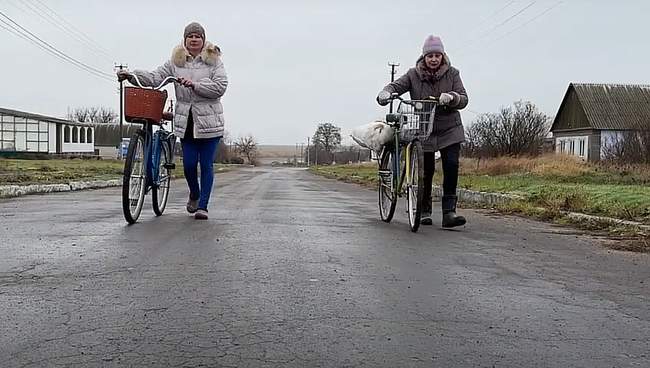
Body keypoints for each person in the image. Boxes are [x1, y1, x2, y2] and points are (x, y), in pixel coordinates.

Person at [118, 22, 227, 220]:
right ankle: (194, 193)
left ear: (203, 40)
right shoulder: (176, 62)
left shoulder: (214, 61)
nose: (194, 39)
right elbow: (155, 77)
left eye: (198, 36)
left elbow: (220, 87)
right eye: (190, 36)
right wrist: (132, 76)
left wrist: (195, 85)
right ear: (184, 40)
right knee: (189, 165)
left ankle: (203, 206)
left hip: (210, 123)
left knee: (206, 164)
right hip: (186, 122)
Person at [377, 35, 467, 228]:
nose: (434, 59)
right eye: (430, 56)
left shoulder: (453, 74)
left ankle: (449, 213)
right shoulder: (413, 74)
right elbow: (396, 86)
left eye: (437, 55)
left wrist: (452, 97)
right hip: (425, 127)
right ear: (424, 57)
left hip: (449, 127)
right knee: (425, 170)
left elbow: (464, 98)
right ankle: (423, 209)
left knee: (451, 166)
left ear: (443, 56)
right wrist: (386, 92)